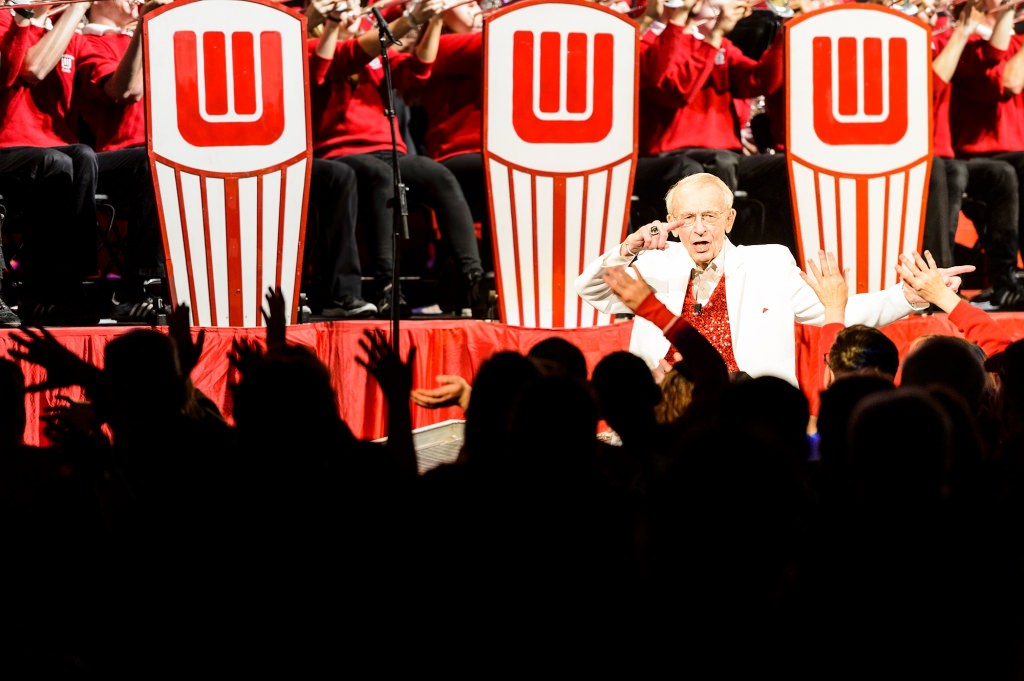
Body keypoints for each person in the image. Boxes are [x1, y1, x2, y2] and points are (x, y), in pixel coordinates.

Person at [576, 172, 973, 386]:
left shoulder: (769, 263)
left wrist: (911, 296)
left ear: (729, 220)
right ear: (673, 225)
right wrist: (628, 249)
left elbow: (836, 311)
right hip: (665, 411)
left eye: (709, 217)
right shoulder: (654, 265)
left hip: (754, 413)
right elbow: (589, 290)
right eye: (688, 218)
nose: (699, 229)